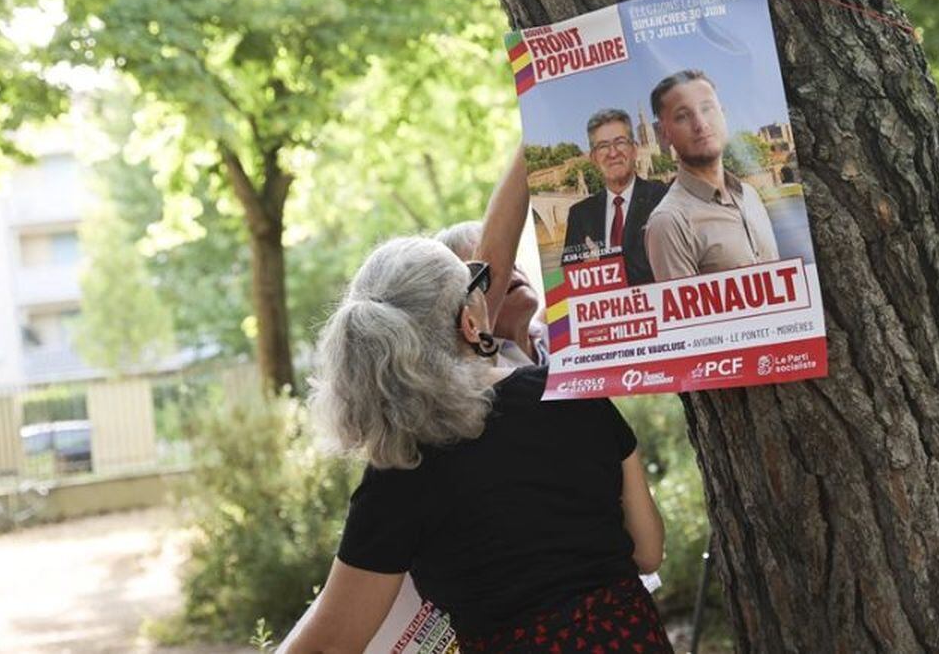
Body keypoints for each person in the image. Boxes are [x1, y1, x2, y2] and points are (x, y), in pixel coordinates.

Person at [278, 173, 670, 654]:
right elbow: (648, 551)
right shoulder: (571, 390)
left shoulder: (402, 467)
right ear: (470, 319)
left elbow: (327, 646)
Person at [644, 70, 780, 280]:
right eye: (682, 116)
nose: (701, 124)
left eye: (707, 109)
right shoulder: (668, 223)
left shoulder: (750, 195)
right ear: (664, 134)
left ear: (723, 114)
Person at [560, 109, 668, 286]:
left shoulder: (663, 197)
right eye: (603, 146)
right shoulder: (579, 214)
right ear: (593, 158)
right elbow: (567, 285)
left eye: (620, 142)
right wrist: (584, 275)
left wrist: (602, 269)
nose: (612, 153)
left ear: (634, 149)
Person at [436, 220, 547, 367]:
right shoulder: (481, 370)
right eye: (486, 270)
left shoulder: (558, 329)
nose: (510, 272)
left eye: (511, 261)